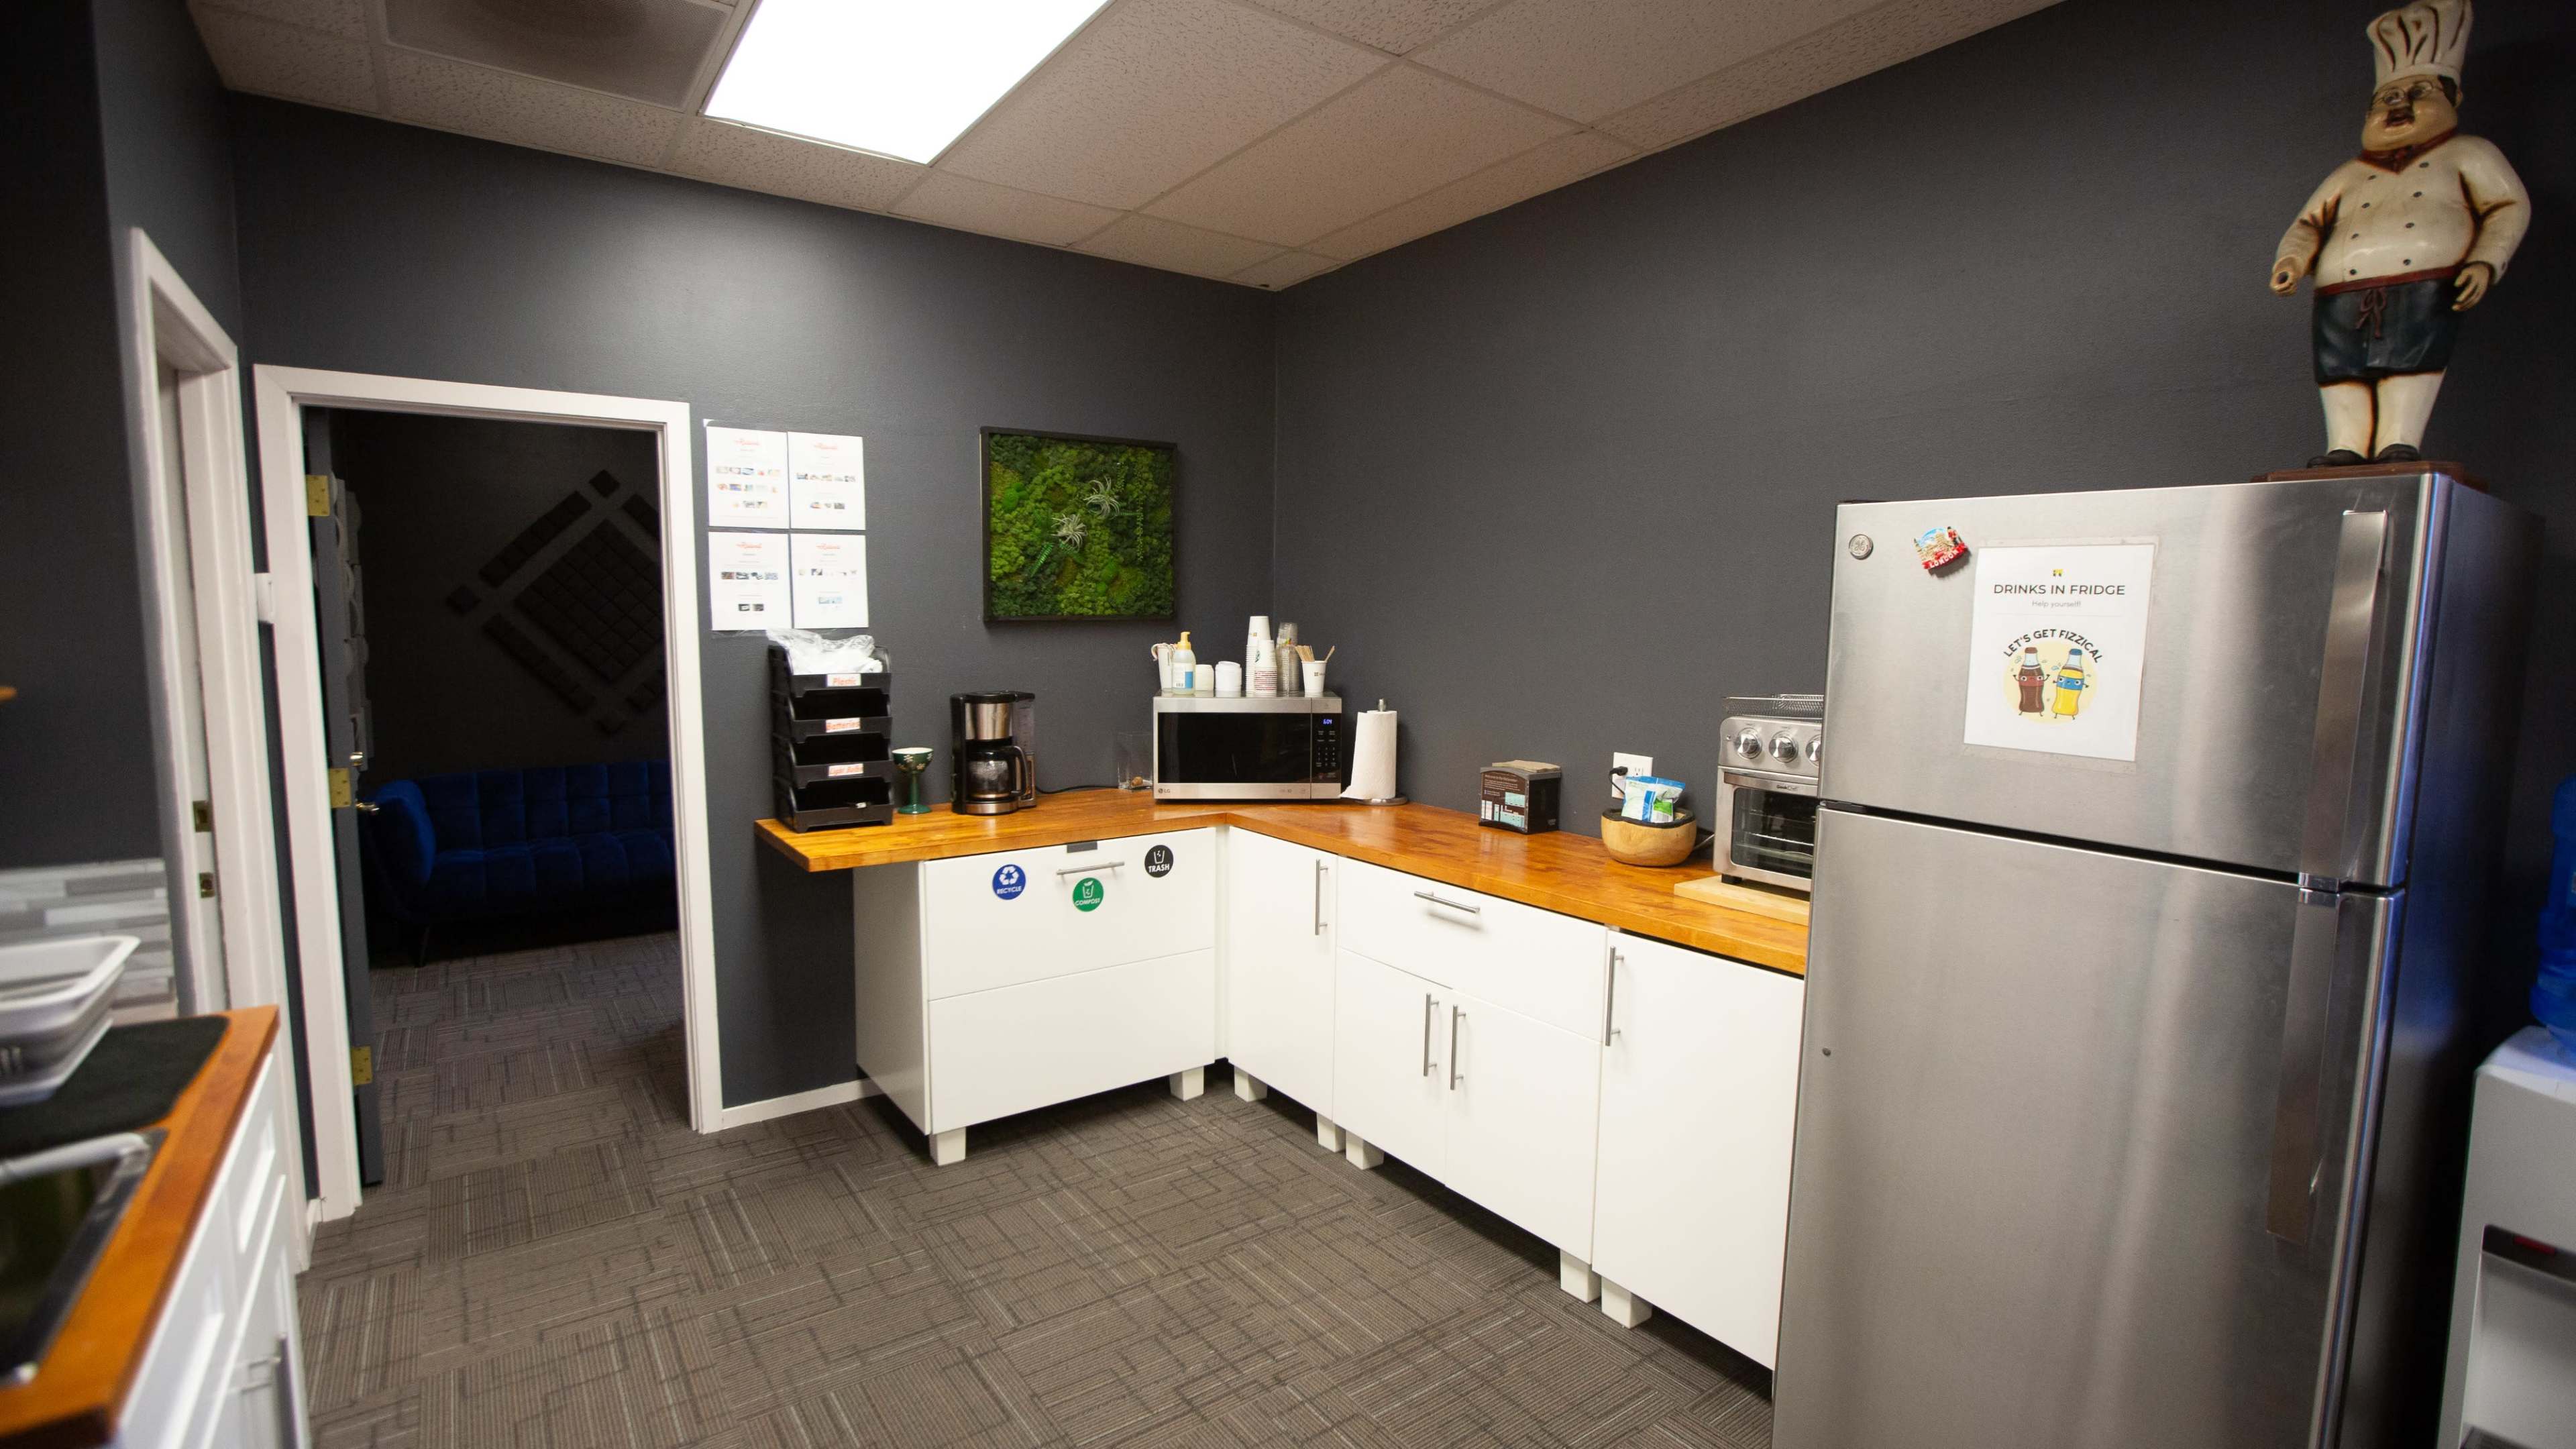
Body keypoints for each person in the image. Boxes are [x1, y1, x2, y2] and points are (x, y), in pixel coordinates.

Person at [2269, 0, 2528, 466]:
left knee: (2411, 363)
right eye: (2388, 98)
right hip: (2340, 289)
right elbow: (2307, 224)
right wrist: (2292, 261)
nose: (2401, 105)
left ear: (2454, 100)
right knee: (2340, 371)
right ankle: (2344, 445)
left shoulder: (2468, 154)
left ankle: (2398, 440)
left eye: (2420, 92)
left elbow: (2508, 206)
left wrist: (2485, 260)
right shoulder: (2349, 174)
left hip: (2425, 280)